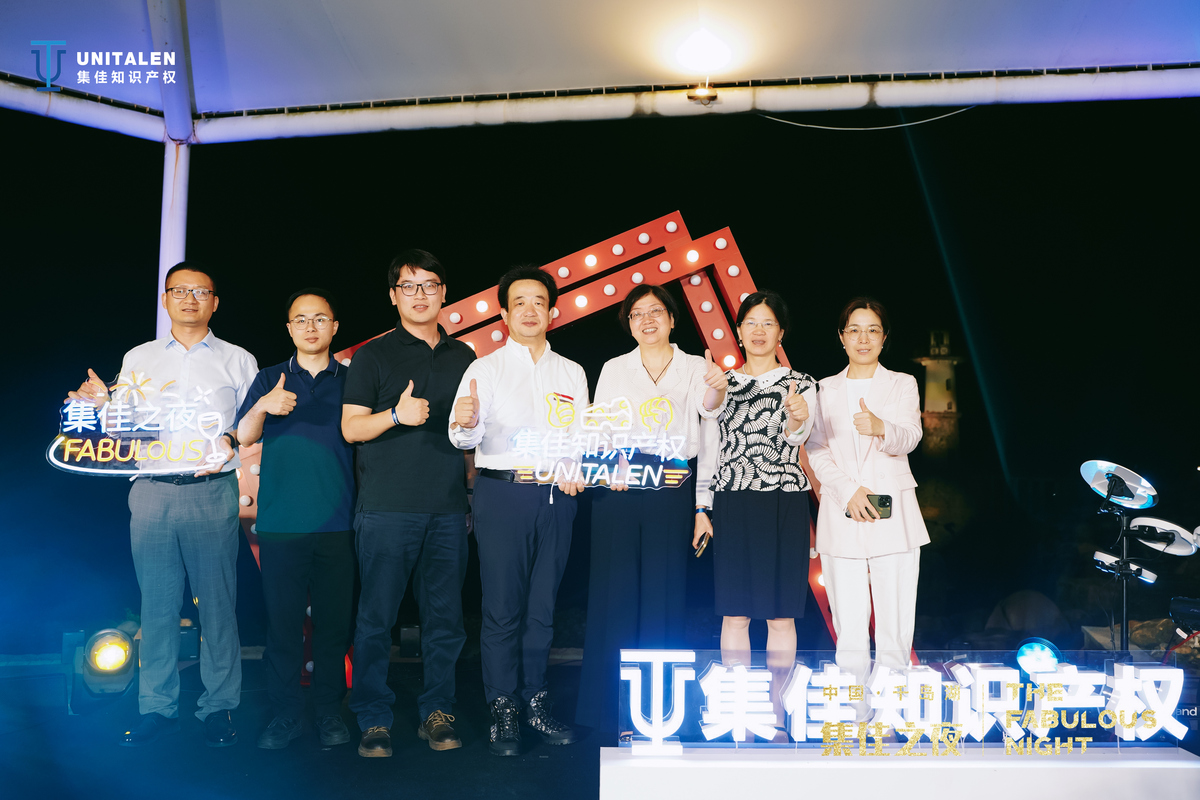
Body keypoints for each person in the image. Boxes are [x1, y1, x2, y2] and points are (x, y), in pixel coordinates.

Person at [68, 261, 257, 747]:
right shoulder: (140, 358)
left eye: (200, 291)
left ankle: (219, 706)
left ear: (215, 301)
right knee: (156, 607)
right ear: (165, 298)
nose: (190, 299)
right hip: (151, 491)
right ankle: (156, 706)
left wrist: (232, 443)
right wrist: (102, 406)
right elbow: (123, 432)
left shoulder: (238, 360)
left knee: (218, 606)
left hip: (211, 492)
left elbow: (254, 426)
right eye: (180, 291)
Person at [341, 249, 476, 758]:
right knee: (376, 619)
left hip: (447, 509)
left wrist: (469, 491)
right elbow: (352, 428)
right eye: (409, 286)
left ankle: (437, 710)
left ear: (444, 293)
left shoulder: (466, 357)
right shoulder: (373, 355)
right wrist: (396, 415)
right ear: (393, 296)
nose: (420, 295)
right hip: (386, 508)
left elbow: (471, 438)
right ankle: (372, 715)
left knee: (446, 621)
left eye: (430, 285)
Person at [575, 284, 726, 736]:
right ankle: (610, 712)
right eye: (637, 313)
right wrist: (608, 466)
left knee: (664, 595)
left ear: (672, 319)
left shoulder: (696, 366)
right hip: (618, 484)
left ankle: (658, 714)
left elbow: (709, 419)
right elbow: (599, 429)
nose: (647, 320)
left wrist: (703, 505)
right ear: (629, 324)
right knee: (614, 595)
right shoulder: (614, 367)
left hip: (671, 484)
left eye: (656, 311)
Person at [449, 265, 588, 756]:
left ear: (553, 312)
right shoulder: (483, 369)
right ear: (505, 315)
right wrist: (466, 423)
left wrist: (575, 465)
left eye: (539, 302)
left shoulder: (571, 372)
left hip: (556, 497)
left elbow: (581, 437)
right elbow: (461, 437)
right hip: (502, 493)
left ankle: (535, 700)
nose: (530, 310)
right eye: (519, 302)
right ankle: (502, 706)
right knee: (502, 609)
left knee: (542, 608)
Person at [235, 289, 356, 749]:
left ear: (334, 327)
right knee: (282, 628)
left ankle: (329, 712)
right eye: (301, 319)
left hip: (339, 524)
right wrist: (263, 406)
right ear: (289, 328)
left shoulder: (352, 380)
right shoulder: (270, 378)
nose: (310, 326)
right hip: (281, 525)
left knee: (333, 628)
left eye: (320, 318)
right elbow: (243, 437)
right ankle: (285, 715)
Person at [805, 297, 929, 703]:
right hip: (844, 512)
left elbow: (911, 436)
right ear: (841, 337)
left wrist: (882, 427)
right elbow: (816, 449)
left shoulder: (902, 383)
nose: (863, 338)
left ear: (884, 337)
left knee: (895, 626)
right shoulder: (823, 389)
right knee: (850, 628)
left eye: (872, 330)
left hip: (894, 516)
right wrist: (848, 490)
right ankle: (855, 714)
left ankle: (891, 713)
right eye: (854, 330)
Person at [693, 291, 816, 678]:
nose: (759, 331)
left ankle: (778, 707)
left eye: (768, 323)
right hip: (734, 501)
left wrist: (797, 417)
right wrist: (701, 507)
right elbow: (708, 424)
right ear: (739, 331)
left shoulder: (802, 384)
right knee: (735, 614)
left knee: (781, 616)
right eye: (751, 323)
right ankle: (738, 705)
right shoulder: (722, 381)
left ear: (781, 333)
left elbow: (797, 437)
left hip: (785, 503)